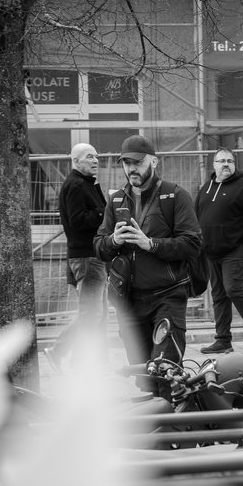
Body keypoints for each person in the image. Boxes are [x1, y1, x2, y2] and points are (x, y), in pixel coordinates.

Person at [94, 135, 203, 393]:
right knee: (143, 376)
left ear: (153, 161)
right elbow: (99, 247)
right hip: (129, 302)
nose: (132, 168)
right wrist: (113, 240)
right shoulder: (117, 200)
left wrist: (151, 244)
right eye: (126, 163)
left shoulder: (175, 195)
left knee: (165, 371)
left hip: (167, 296)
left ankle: (173, 428)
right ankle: (155, 427)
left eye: (138, 162)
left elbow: (193, 243)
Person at [195, 148, 243, 354]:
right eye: (221, 161)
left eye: (230, 161)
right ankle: (223, 340)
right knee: (218, 295)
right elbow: (196, 215)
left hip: (234, 250)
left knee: (232, 289)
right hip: (211, 252)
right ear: (214, 165)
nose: (226, 164)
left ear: (234, 164)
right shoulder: (206, 188)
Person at [44, 143, 108, 372]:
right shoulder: (76, 185)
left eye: (97, 156)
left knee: (96, 314)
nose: (95, 160)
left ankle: (84, 361)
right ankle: (61, 351)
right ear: (76, 161)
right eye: (89, 156)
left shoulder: (86, 183)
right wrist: (104, 212)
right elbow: (78, 221)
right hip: (87, 256)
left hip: (92, 255)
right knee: (91, 314)